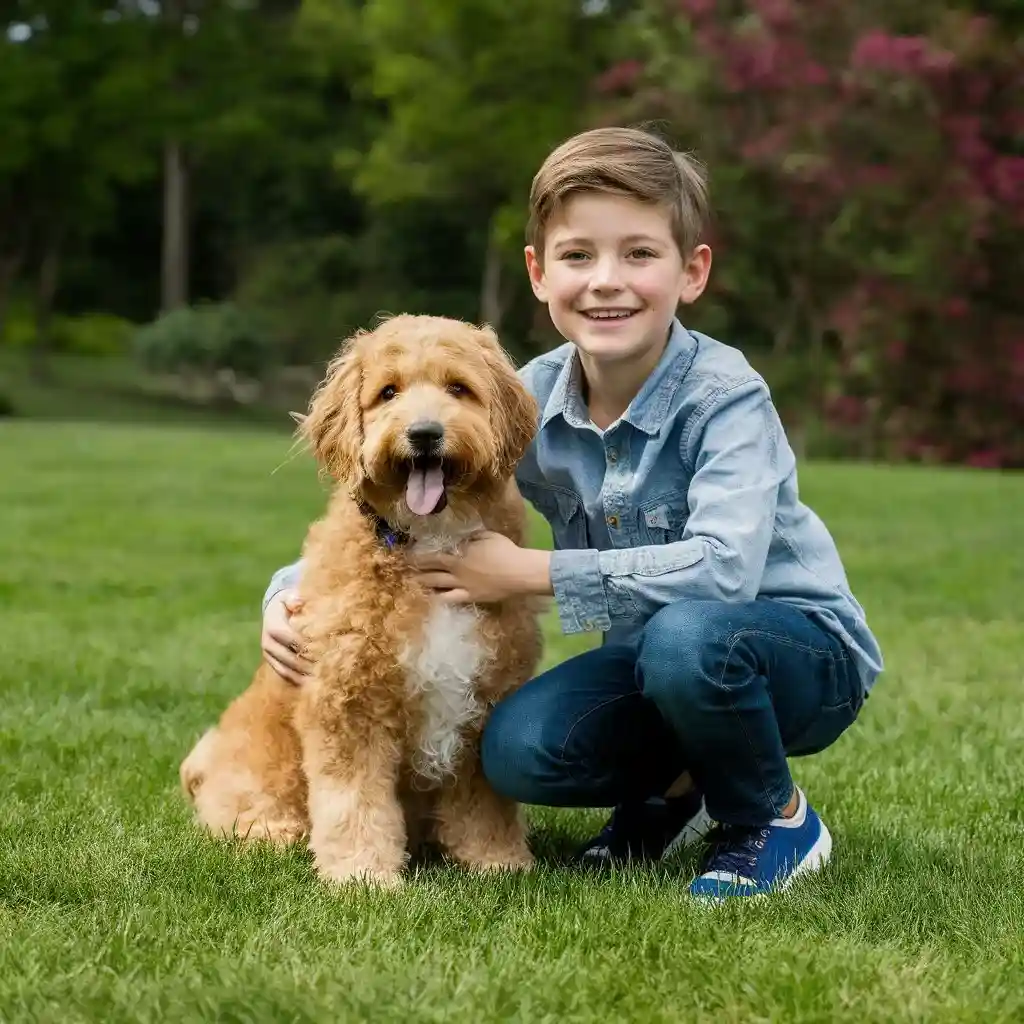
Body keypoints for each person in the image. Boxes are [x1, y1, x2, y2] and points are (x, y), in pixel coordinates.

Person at [259, 126, 884, 900]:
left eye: (640, 254)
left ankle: (772, 817)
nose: (606, 281)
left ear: (692, 272)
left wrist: (530, 572)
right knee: (519, 748)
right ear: (539, 273)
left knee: (689, 637)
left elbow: (724, 572)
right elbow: (393, 498)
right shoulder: (521, 397)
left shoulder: (727, 398)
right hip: (659, 661)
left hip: (797, 657)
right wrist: (291, 598)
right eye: (579, 256)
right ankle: (672, 799)